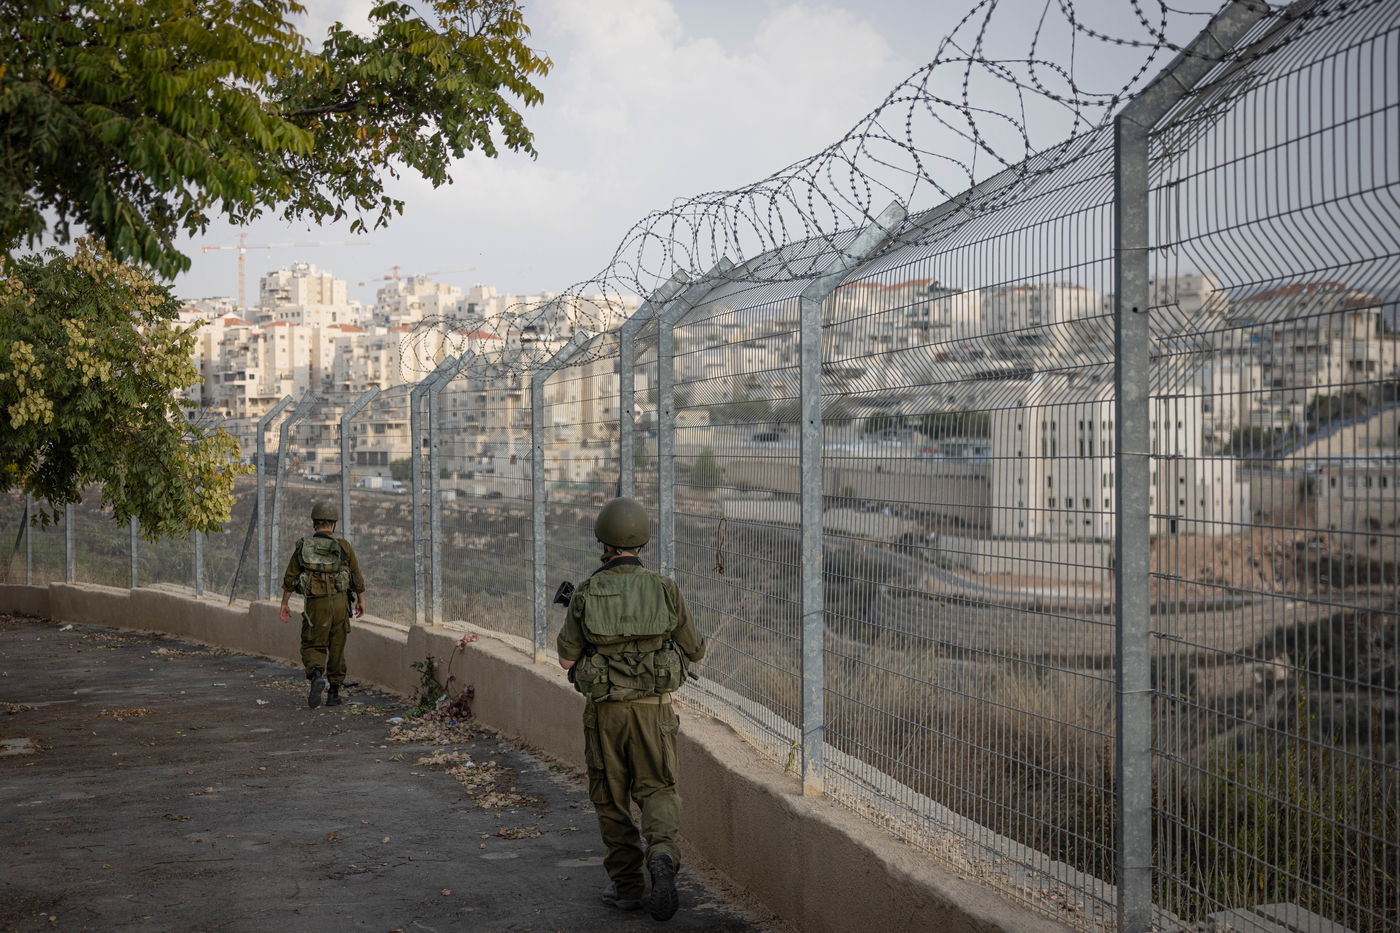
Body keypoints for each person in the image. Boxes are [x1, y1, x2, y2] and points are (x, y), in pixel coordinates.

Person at [556, 496, 705, 923]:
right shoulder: (664, 588)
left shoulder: (585, 592)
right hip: (654, 712)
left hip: (606, 714)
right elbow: (695, 650)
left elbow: (567, 661)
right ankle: (661, 854)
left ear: (602, 539)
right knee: (657, 788)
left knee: (611, 796)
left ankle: (626, 888)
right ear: (642, 540)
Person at [279, 501, 366, 708]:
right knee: (337, 647)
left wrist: (284, 603)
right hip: (339, 604)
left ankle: (317, 675)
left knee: (312, 644)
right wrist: (361, 600)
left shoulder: (303, 546)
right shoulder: (343, 546)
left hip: (315, 606)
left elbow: (290, 578)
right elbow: (356, 577)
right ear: (333, 523)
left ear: (314, 523)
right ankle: (334, 694)